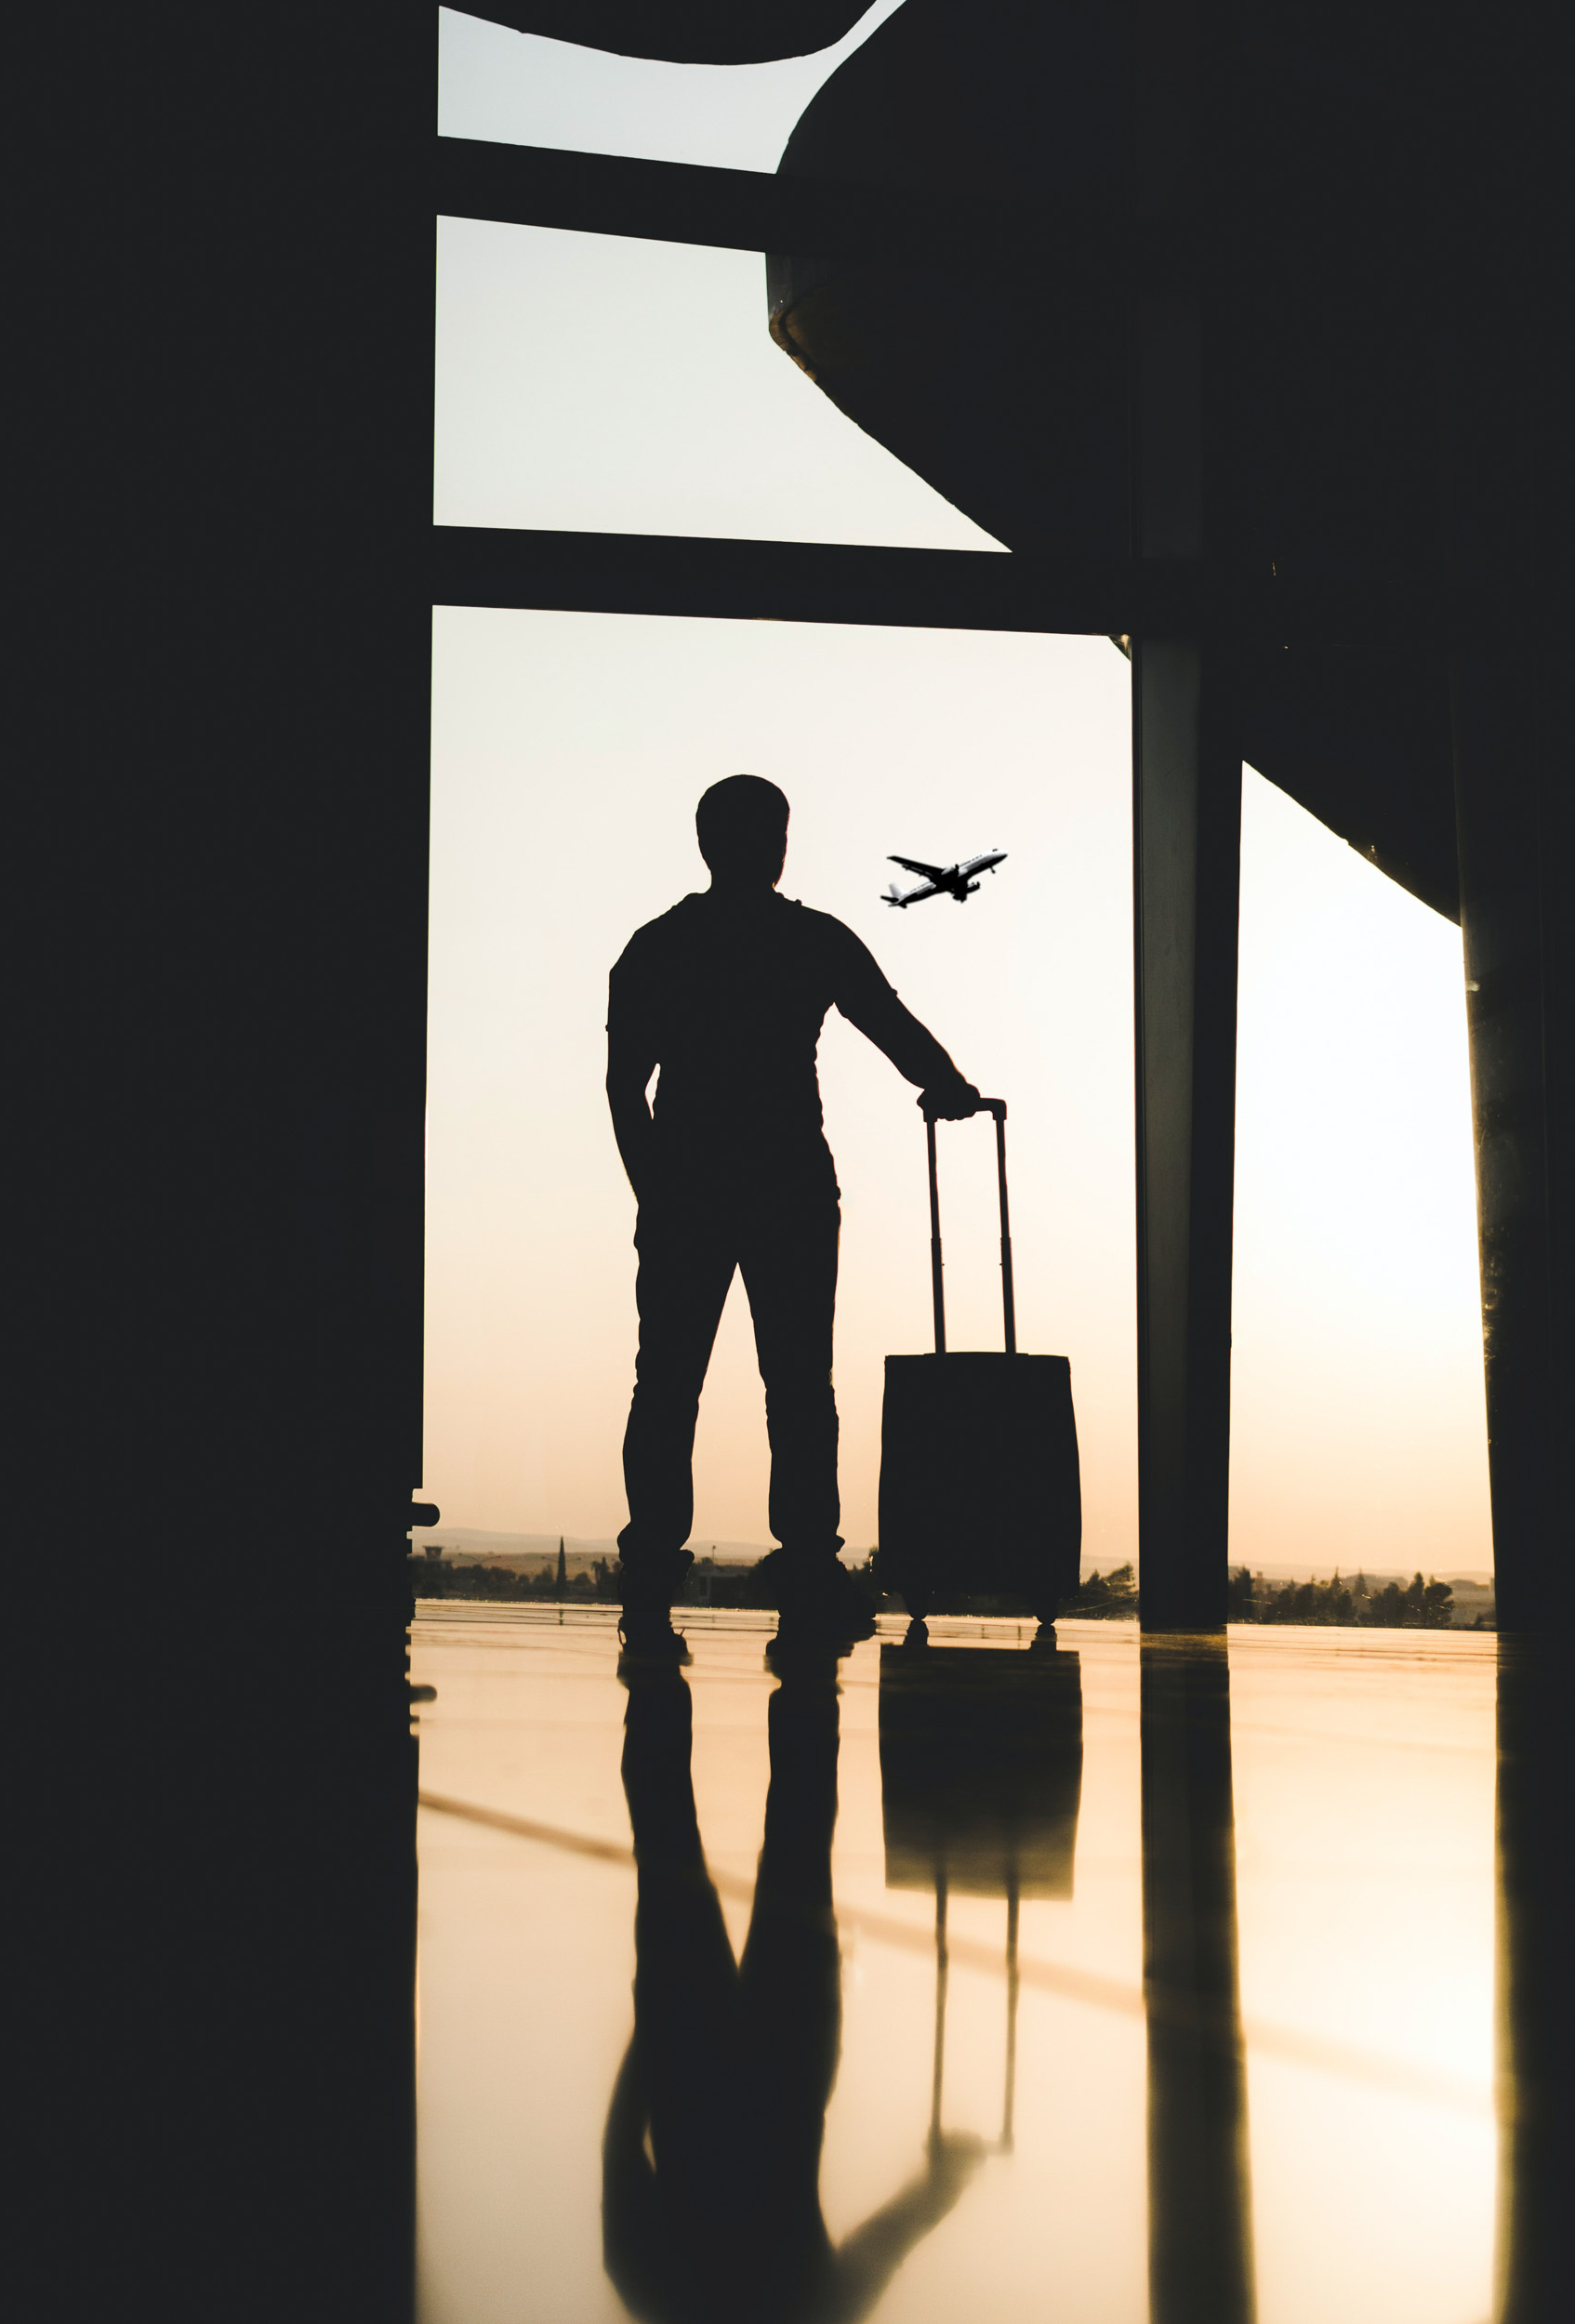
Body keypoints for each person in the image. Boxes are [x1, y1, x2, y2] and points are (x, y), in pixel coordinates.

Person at [608, 774, 980, 1661]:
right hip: (787, 1186)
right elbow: (886, 1021)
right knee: (800, 1387)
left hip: (691, 1185)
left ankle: (653, 1566)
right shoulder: (808, 939)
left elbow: (627, 1087)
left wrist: (653, 1190)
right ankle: (808, 1563)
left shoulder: (660, 947)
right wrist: (948, 1085)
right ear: (776, 844)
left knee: (668, 1386)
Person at [602, 1654, 984, 2321]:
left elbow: (883, 2247)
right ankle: (658, 1678)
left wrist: (942, 2186)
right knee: (671, 1849)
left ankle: (805, 1687)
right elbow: (621, 2155)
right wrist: (654, 2031)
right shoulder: (658, 2297)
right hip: (691, 2065)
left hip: (785, 2075)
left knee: (798, 1849)